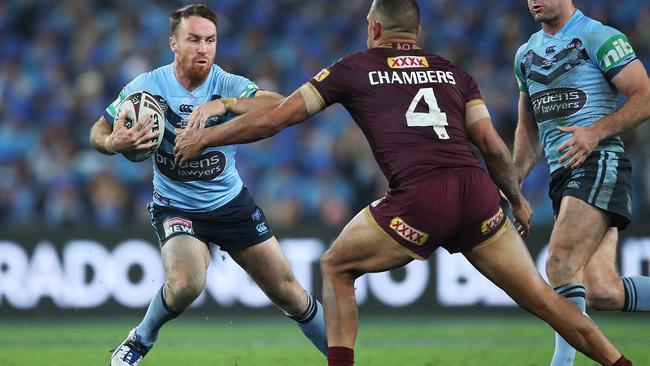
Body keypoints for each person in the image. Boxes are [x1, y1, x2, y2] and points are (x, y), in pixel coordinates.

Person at [174, 1, 634, 365]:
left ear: (374, 28)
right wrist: (515, 199)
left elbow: (276, 118)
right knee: (543, 299)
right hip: (476, 194)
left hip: (422, 197)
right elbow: (493, 148)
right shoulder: (454, 72)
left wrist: (208, 137)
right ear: (416, 32)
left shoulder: (353, 67)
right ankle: (619, 362)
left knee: (335, 267)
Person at [89, 4, 327, 366]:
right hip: (176, 206)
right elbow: (98, 131)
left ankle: (344, 360)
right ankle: (141, 338)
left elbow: (281, 107)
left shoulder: (227, 84)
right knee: (186, 283)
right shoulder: (147, 86)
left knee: (290, 294)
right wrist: (112, 144)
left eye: (210, 40)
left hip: (231, 204)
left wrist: (224, 105)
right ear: (174, 43)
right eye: (194, 39)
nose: (203, 48)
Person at [513, 0, 650, 364]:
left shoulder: (598, 37)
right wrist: (514, 183)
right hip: (563, 175)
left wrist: (594, 133)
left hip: (599, 161)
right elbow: (528, 128)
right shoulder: (525, 54)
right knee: (603, 291)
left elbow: (645, 94)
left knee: (559, 262)